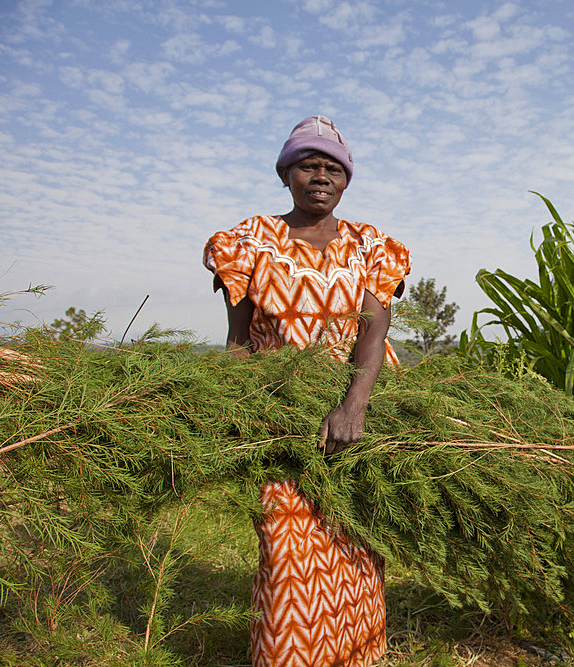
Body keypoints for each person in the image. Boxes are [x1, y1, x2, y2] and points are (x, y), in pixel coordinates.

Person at [203, 115, 411, 667]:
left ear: (346, 180)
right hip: (280, 414)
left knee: (357, 545)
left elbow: (374, 326)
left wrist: (353, 406)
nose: (321, 176)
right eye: (307, 165)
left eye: (332, 168)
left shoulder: (372, 245)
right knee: (286, 553)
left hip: (358, 406)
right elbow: (238, 341)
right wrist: (245, 409)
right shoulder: (248, 242)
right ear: (286, 174)